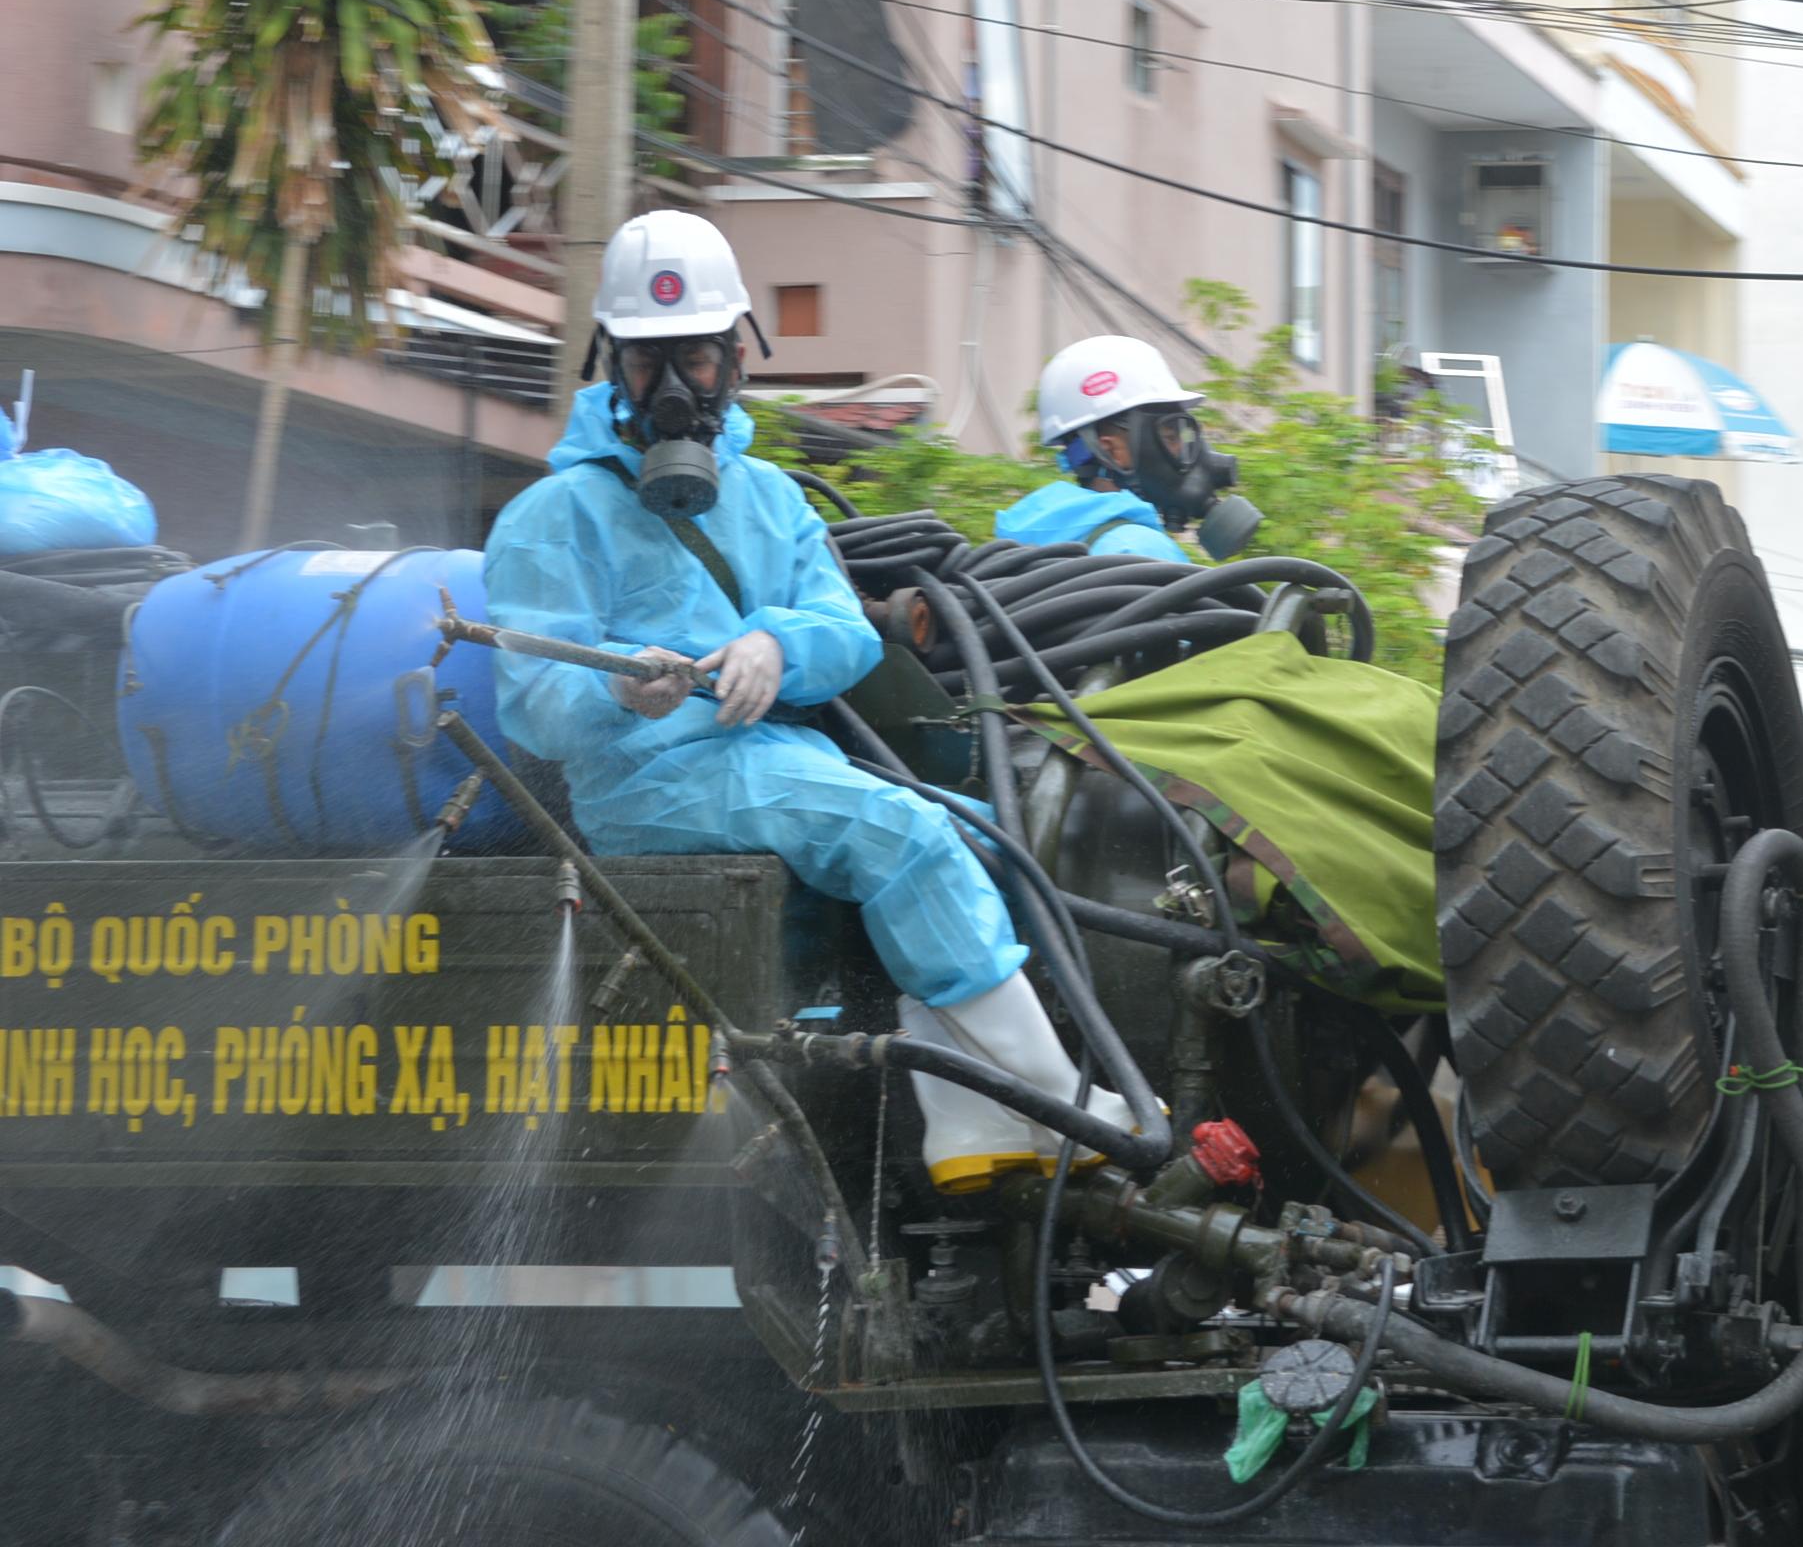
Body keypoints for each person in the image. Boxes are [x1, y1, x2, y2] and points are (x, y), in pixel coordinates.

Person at [482, 209, 1134, 1191]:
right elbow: (528, 698)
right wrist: (618, 683)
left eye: (696, 357)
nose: (671, 389)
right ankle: (1060, 1103)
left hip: (774, 766)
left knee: (979, 832)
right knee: (901, 837)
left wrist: (774, 645)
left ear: (738, 355)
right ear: (608, 362)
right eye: (648, 361)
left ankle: (967, 1120)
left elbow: (845, 629)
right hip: (647, 789)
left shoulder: (773, 497)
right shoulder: (553, 513)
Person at [995, 335, 1262, 562]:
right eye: (1170, 436)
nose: (1186, 450)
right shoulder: (1140, 550)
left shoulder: (1022, 550)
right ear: (1112, 452)